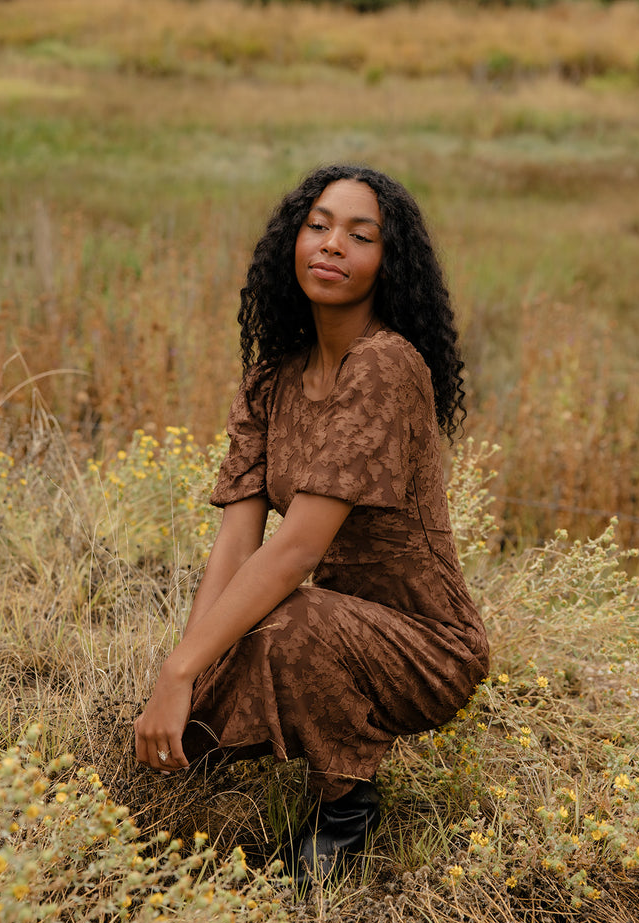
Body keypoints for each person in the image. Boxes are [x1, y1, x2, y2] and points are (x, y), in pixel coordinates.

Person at [134, 164, 489, 885]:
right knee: (179, 732)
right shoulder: (272, 378)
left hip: (424, 643)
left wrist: (181, 668)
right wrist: (184, 674)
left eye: (359, 236)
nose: (332, 245)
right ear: (291, 242)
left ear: (387, 264)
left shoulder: (385, 367)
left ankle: (345, 807)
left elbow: (293, 551)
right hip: (328, 619)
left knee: (285, 617)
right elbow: (237, 542)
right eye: (318, 226)